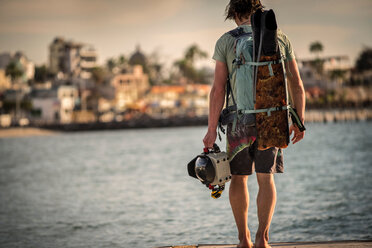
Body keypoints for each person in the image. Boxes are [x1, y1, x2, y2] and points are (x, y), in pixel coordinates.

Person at [203, 0, 306, 247]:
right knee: (266, 178)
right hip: (272, 119)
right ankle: (263, 238)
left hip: (240, 122)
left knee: (239, 178)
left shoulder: (227, 41)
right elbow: (297, 85)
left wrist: (210, 130)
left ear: (235, 13)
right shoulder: (280, 38)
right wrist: (299, 122)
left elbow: (218, 90)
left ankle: (244, 239)